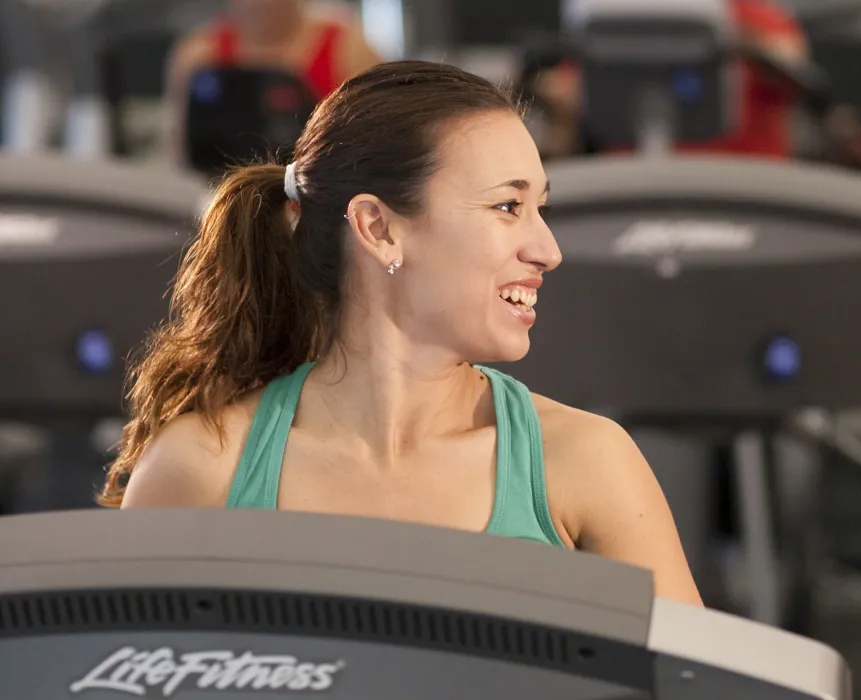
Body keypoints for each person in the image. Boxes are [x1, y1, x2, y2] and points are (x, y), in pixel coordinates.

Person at [103, 61, 703, 608]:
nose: (547, 250)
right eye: (506, 208)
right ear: (378, 227)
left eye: (539, 208)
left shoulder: (586, 462)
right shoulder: (202, 469)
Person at [522, 0, 810, 159]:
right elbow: (568, 91)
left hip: (744, 183)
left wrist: (738, 39)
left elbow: (794, 68)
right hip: (634, 184)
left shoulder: (754, 14)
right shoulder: (618, 16)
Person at [161, 0, 383, 166]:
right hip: (222, 199)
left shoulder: (349, 51)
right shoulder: (198, 57)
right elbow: (180, 156)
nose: (259, 4)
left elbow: (378, 151)